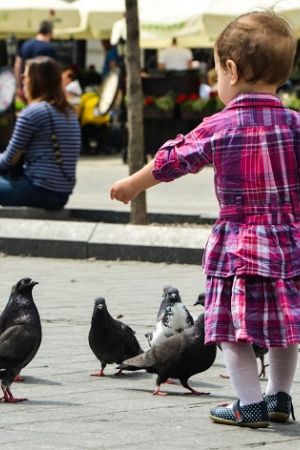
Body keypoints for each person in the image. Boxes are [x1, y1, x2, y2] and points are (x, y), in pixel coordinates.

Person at [110, 9, 300, 428]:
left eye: (216, 73)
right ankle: (279, 399)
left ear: (230, 70)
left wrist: (132, 186)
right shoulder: (295, 125)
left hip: (240, 248)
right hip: (290, 245)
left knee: (232, 328)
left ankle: (248, 404)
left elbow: (171, 159)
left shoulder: (218, 126)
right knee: (285, 326)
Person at [0, 56, 81, 209]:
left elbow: (8, 160)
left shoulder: (33, 112)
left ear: (36, 80)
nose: (22, 80)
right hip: (61, 194)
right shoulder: (69, 112)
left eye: (25, 76)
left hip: (37, 190)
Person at [14, 21, 58, 100]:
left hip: (26, 86)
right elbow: (56, 71)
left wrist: (19, 86)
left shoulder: (25, 45)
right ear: (50, 32)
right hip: (43, 90)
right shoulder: (48, 49)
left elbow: (17, 65)